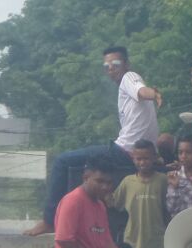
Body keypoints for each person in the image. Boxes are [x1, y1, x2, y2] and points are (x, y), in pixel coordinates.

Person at [25, 46, 161, 237]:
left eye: (115, 64)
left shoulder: (129, 78)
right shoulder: (126, 89)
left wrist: (153, 94)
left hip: (122, 152)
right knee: (87, 162)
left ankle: (49, 220)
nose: (110, 69)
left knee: (62, 161)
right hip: (134, 152)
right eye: (106, 66)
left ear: (126, 64)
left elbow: (141, 90)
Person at [109, 140, 168, 248]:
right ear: (133, 159)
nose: (142, 162)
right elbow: (114, 204)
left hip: (158, 242)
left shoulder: (163, 180)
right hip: (133, 241)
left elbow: (169, 207)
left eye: (146, 158)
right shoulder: (127, 182)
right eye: (138, 159)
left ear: (154, 158)